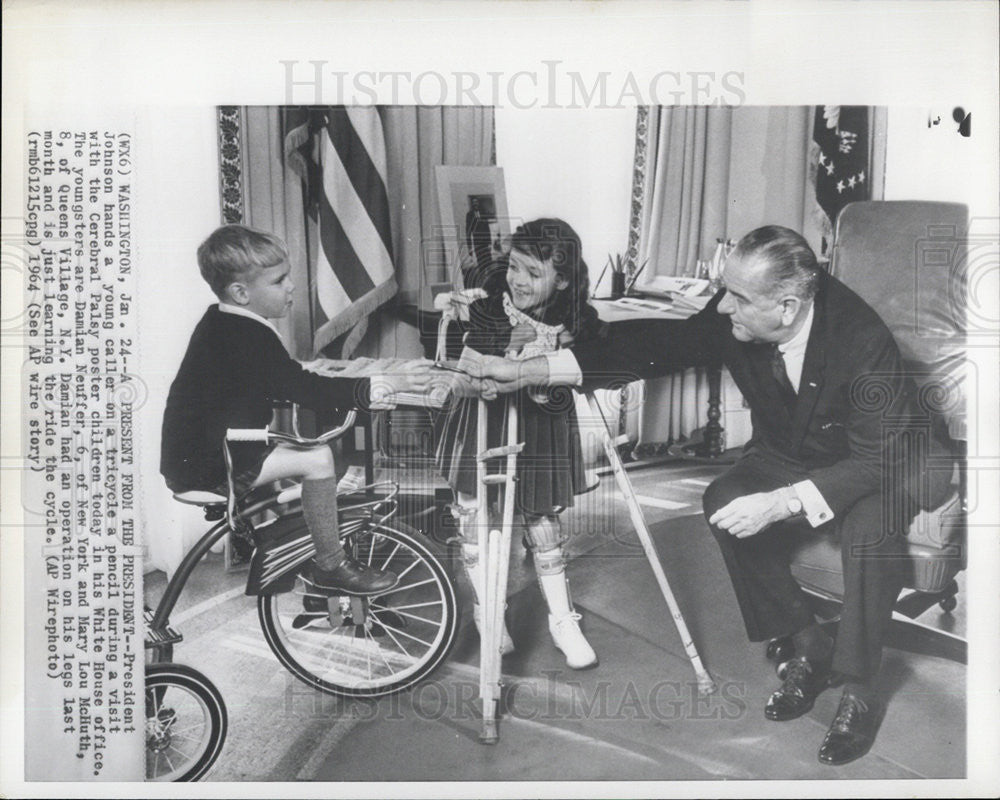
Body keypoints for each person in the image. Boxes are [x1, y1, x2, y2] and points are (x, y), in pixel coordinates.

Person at [473, 225, 948, 764]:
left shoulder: (861, 337)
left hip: (882, 456)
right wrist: (527, 369)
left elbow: (875, 457)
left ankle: (860, 688)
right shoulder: (740, 311)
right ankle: (810, 645)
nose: (724, 308)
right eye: (727, 291)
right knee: (726, 497)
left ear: (787, 307)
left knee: (869, 530)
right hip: (799, 447)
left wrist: (782, 501)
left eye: (738, 298)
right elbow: (659, 345)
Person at [161, 224, 432, 596]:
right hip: (210, 462)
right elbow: (302, 387)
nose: (291, 286)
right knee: (318, 459)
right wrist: (383, 385)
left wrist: (355, 384)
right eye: (278, 281)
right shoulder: (248, 335)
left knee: (308, 461)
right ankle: (331, 566)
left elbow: (275, 380)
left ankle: (314, 543)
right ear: (241, 293)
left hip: (202, 452)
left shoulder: (223, 322)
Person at [436, 218, 602, 669]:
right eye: (514, 267)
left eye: (533, 272)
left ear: (562, 279)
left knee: (541, 522)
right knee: (474, 518)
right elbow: (457, 372)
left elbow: (588, 368)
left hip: (539, 428)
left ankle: (562, 619)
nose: (518, 280)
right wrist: (477, 382)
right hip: (482, 423)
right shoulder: (489, 307)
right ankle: (488, 613)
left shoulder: (576, 320)